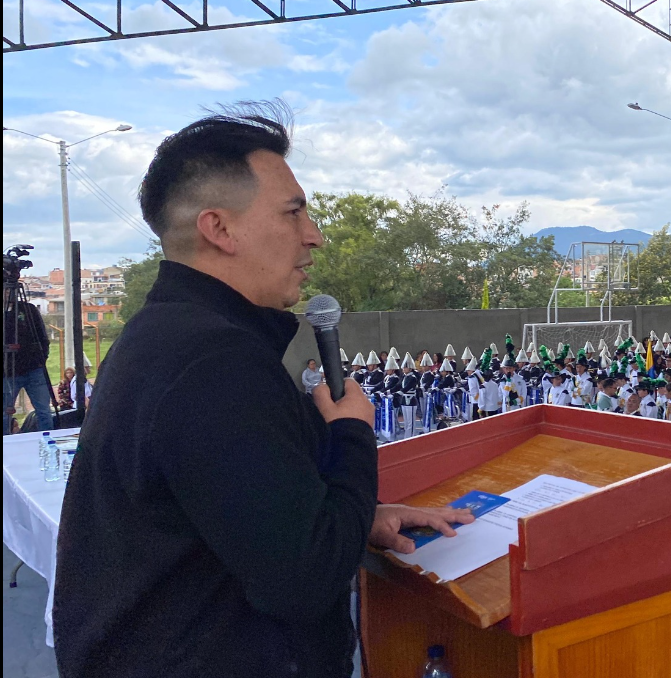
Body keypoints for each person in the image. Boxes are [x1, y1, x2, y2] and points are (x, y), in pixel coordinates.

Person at [53, 104, 474, 678]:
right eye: (293, 213)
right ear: (220, 228)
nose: (314, 237)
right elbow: (304, 580)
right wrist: (350, 431)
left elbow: (232, 511)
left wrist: (357, 517)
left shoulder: (166, 334)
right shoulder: (213, 361)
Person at [2, 293, 54, 433]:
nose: (7, 293)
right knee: (5, 415)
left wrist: (41, 359)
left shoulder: (28, 310)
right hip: (7, 374)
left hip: (34, 370)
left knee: (44, 412)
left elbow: (42, 336)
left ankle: (46, 443)